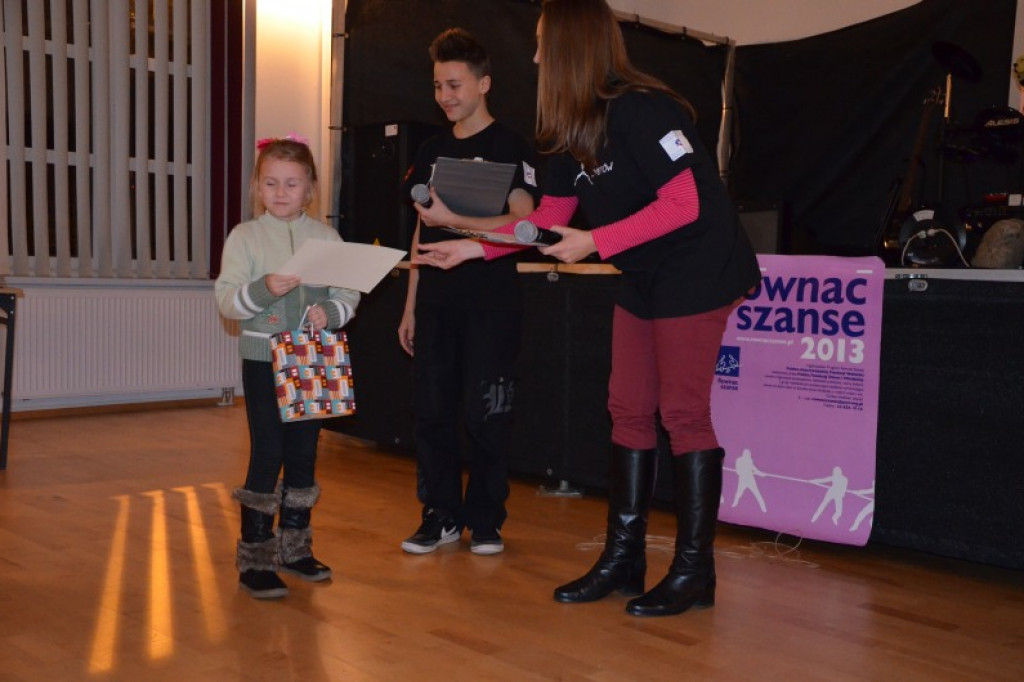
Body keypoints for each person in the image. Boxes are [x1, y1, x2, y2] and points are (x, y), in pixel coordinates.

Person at [415, 0, 759, 617]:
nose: (536, 57)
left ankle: (694, 571)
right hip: (643, 272)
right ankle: (624, 559)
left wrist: (597, 241)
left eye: (543, 43)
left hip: (698, 269)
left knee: (683, 414)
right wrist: (470, 246)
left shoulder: (644, 110)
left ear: (572, 47)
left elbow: (684, 204)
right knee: (627, 407)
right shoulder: (566, 134)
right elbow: (544, 224)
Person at [398, 28, 538, 556]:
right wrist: (410, 306)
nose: (445, 96)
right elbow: (422, 230)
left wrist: (459, 223)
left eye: (454, 85)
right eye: (437, 86)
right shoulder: (431, 150)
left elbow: (524, 222)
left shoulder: (511, 147)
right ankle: (439, 515)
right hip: (435, 304)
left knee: (486, 413)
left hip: (490, 303)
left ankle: (485, 519)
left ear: (484, 84)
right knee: (431, 411)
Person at [215, 135, 361, 599]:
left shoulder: (328, 238)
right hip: (264, 359)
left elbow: (348, 292)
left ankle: (295, 549)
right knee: (268, 452)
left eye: (292, 183)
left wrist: (331, 312)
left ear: (310, 188)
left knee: (303, 452)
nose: (280, 192)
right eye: (271, 182)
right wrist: (264, 289)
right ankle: (255, 559)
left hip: (314, 358)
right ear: (257, 186)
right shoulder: (245, 237)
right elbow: (227, 301)